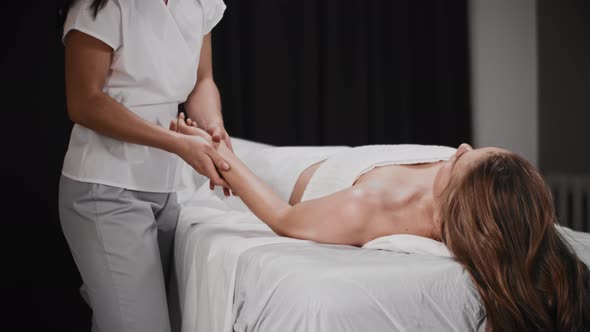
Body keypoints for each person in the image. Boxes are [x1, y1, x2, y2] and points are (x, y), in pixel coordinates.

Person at [172, 116, 590, 331]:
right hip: (349, 157)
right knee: (202, 142)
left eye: (464, 157)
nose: (460, 146)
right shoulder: (480, 201)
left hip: (298, 171)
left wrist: (225, 158)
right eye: (471, 149)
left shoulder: (369, 207)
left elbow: (282, 218)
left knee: (217, 153)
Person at [58, 0, 233, 331]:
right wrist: (178, 143)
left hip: (166, 189)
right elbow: (84, 102)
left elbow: (202, 80)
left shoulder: (199, 3)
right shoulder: (105, 7)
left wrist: (213, 129)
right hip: (105, 188)